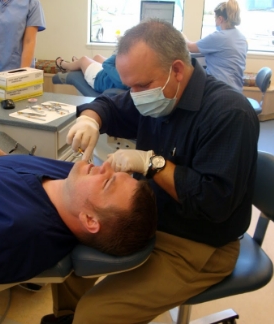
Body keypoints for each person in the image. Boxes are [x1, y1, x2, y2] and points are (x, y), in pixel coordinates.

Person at [40, 19, 259, 324]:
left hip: (199, 244)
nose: (136, 94)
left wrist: (151, 163)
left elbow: (212, 203)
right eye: (131, 86)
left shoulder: (228, 114)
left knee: (95, 313)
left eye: (141, 86)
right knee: (68, 261)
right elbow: (112, 104)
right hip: (148, 219)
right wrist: (90, 119)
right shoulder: (157, 95)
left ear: (178, 70)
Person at [0, 143, 157, 284]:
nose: (105, 166)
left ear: (89, 220)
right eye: (117, 173)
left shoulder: (14, 232)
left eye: (108, 181)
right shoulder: (70, 179)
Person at [184, 0, 247, 92]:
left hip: (220, 89)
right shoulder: (241, 37)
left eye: (215, 18)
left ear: (220, 19)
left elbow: (190, 47)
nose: (215, 21)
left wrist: (181, 35)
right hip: (236, 90)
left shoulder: (220, 37)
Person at [55, 54, 129, 93]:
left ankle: (63, 65)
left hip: (99, 79)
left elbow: (106, 64)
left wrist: (120, 53)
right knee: (97, 57)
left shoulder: (125, 79)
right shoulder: (135, 73)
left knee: (83, 59)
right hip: (109, 76)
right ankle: (77, 64)